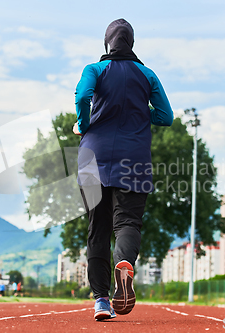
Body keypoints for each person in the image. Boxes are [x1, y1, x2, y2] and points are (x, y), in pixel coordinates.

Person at [74, 18, 173, 321]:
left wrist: (84, 122)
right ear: (131, 43)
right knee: (127, 222)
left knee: (97, 229)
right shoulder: (147, 74)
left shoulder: (95, 69)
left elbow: (82, 97)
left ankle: (102, 300)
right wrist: (142, 115)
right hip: (134, 157)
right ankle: (125, 264)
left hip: (93, 157)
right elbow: (166, 116)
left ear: (107, 43)